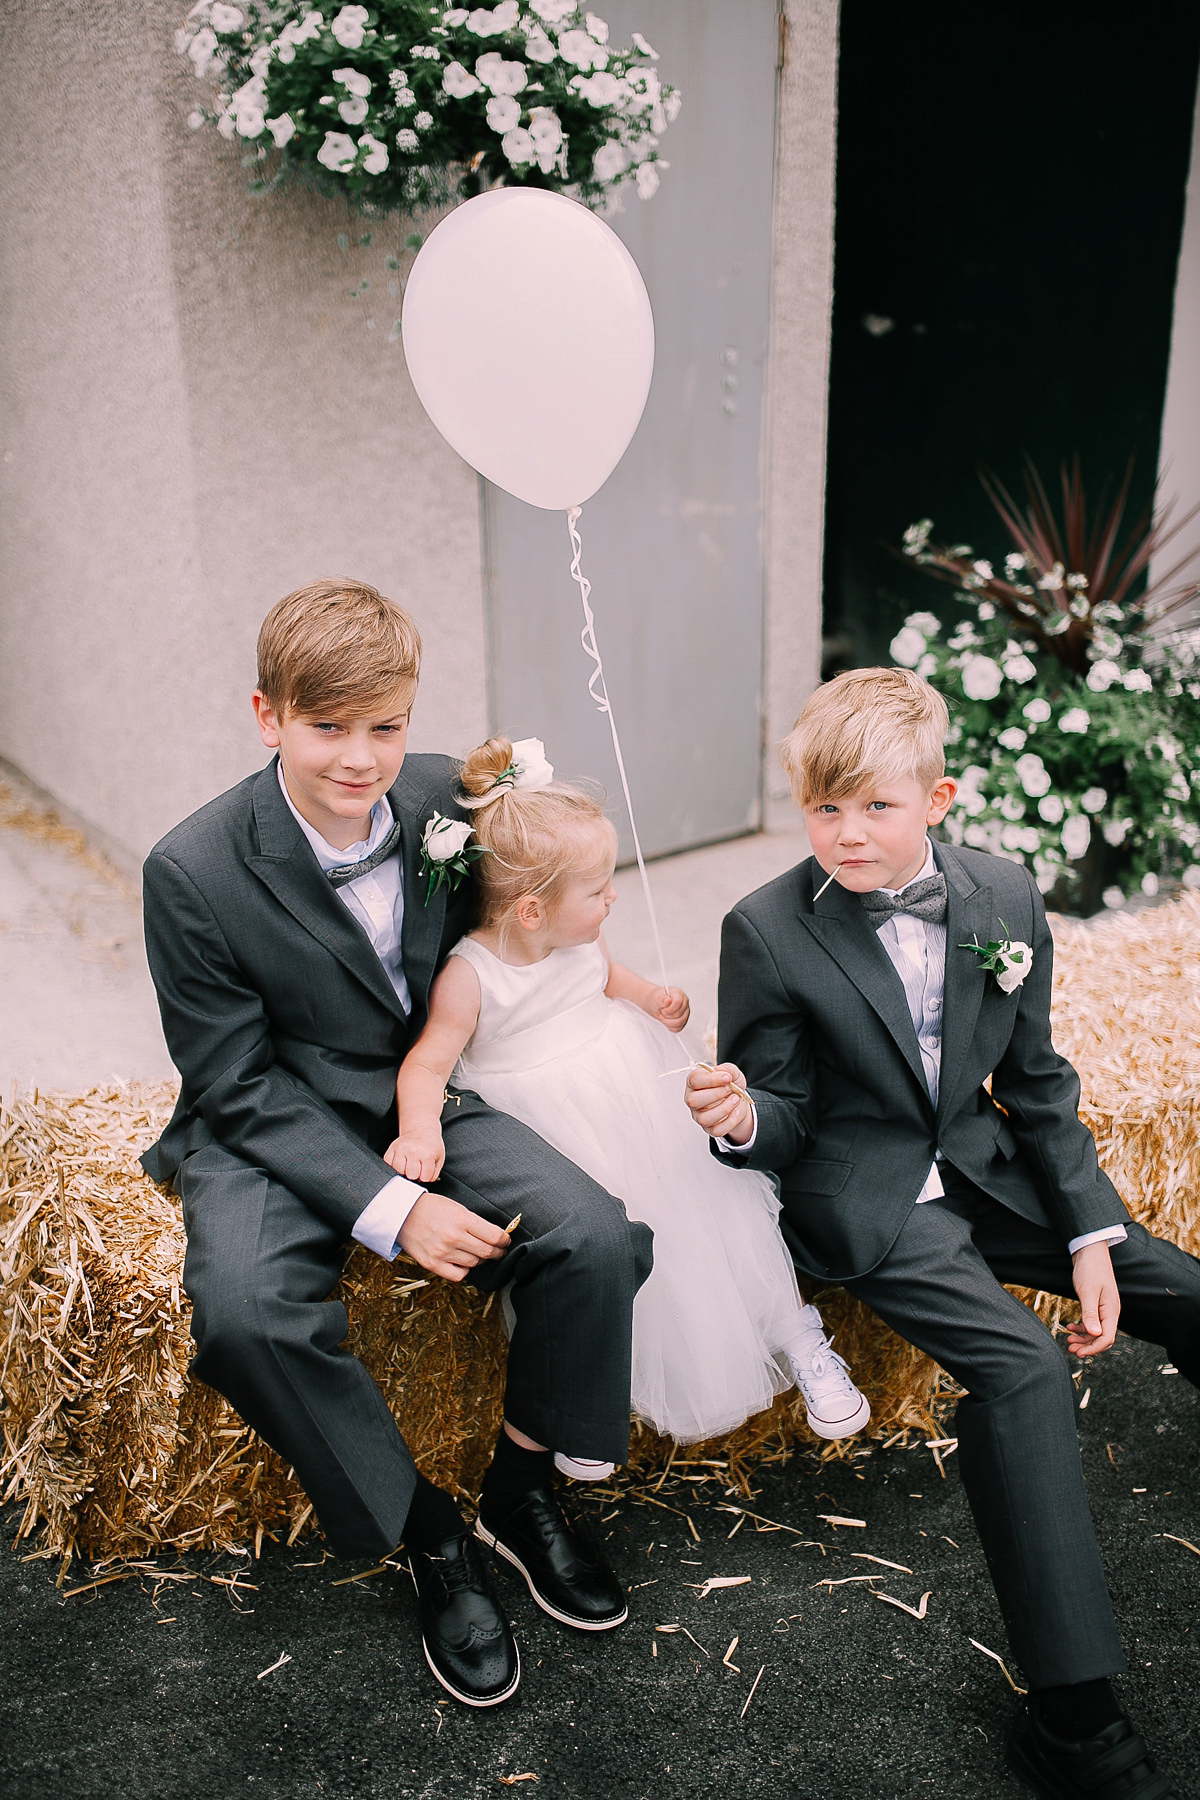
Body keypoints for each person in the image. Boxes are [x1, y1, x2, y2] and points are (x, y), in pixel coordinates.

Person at [685, 666, 1199, 1800]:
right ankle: (1076, 1719)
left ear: (941, 797)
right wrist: (738, 1121)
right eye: (825, 808)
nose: (847, 832)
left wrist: (1089, 1235)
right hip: (868, 1197)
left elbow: (1042, 1083)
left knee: (1175, 1280)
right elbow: (786, 1113)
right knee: (1018, 1369)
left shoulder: (1005, 899)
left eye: (876, 806)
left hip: (982, 1166)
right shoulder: (765, 930)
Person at [140, 579, 651, 1711]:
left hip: (426, 1084)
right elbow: (233, 1081)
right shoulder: (191, 869)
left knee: (598, 1237)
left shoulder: (449, 800)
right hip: (268, 1121)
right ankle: (429, 1536)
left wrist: (625, 1001)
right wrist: (393, 1208)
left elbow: (543, 905)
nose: (361, 759)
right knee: (244, 1317)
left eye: (386, 726)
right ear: (267, 716)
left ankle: (519, 1493)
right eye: (328, 728)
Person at [385, 734, 871, 1475]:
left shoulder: (581, 941)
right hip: (551, 1122)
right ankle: (589, 1403)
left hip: (630, 1088)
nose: (613, 898)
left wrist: (653, 999)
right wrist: (419, 1131)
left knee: (713, 1215)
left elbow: (611, 978)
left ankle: (796, 1333)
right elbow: (426, 1063)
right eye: (597, 889)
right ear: (530, 910)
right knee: (606, 1250)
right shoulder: (470, 977)